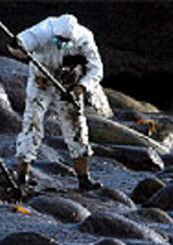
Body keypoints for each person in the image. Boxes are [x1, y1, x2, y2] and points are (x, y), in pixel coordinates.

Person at [11, 14, 104, 193]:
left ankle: (84, 179)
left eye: (65, 41)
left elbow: (96, 69)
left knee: (76, 127)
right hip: (41, 81)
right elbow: (21, 46)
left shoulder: (85, 39)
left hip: (70, 85)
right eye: (58, 40)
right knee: (32, 123)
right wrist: (16, 46)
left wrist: (81, 88)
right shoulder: (41, 32)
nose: (61, 43)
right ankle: (22, 177)